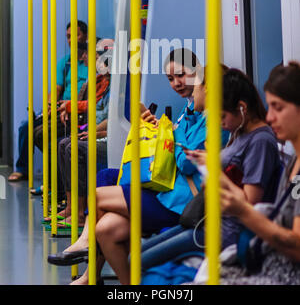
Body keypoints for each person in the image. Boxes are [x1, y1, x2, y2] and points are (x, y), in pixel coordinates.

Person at [49, 48, 228, 285]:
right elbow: (176, 140)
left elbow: (185, 160)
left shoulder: (212, 121)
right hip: (169, 187)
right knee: (105, 223)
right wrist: (161, 130)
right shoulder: (191, 112)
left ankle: (86, 245)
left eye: (184, 77)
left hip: (177, 198)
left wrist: (171, 136)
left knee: (98, 196)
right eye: (170, 79)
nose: (178, 84)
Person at [139, 68, 281, 284]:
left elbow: (250, 203)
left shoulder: (260, 141)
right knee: (136, 257)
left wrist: (213, 171)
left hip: (225, 231)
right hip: (209, 220)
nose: (219, 122)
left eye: (221, 116)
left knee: (141, 261)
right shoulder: (239, 133)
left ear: (241, 109)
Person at [217, 62, 300, 285]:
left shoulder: (262, 141)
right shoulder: (294, 163)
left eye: (278, 107)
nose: (270, 117)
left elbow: (297, 246)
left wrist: (243, 211)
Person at [8, 21, 88, 182]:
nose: (71, 40)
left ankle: (54, 176)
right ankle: (23, 169)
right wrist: (50, 105)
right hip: (60, 107)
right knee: (26, 126)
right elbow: (56, 89)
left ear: (85, 36)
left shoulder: (91, 62)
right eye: (68, 36)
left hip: (76, 109)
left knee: (42, 134)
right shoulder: (66, 62)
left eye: (76, 35)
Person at [51, 40, 113, 226]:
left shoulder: (116, 85)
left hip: (113, 138)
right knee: (63, 144)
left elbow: (115, 119)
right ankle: (71, 206)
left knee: (74, 148)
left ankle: (79, 213)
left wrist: (96, 133)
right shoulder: (104, 83)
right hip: (97, 130)